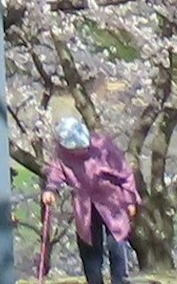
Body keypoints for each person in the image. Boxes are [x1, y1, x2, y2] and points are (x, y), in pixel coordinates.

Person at [49, 110, 141, 284]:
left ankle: (120, 280)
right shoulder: (63, 153)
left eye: (82, 148)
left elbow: (125, 173)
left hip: (111, 200)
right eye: (75, 149)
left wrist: (130, 201)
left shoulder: (103, 146)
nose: (80, 152)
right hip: (84, 205)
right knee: (90, 248)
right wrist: (51, 189)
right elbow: (56, 172)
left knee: (117, 243)